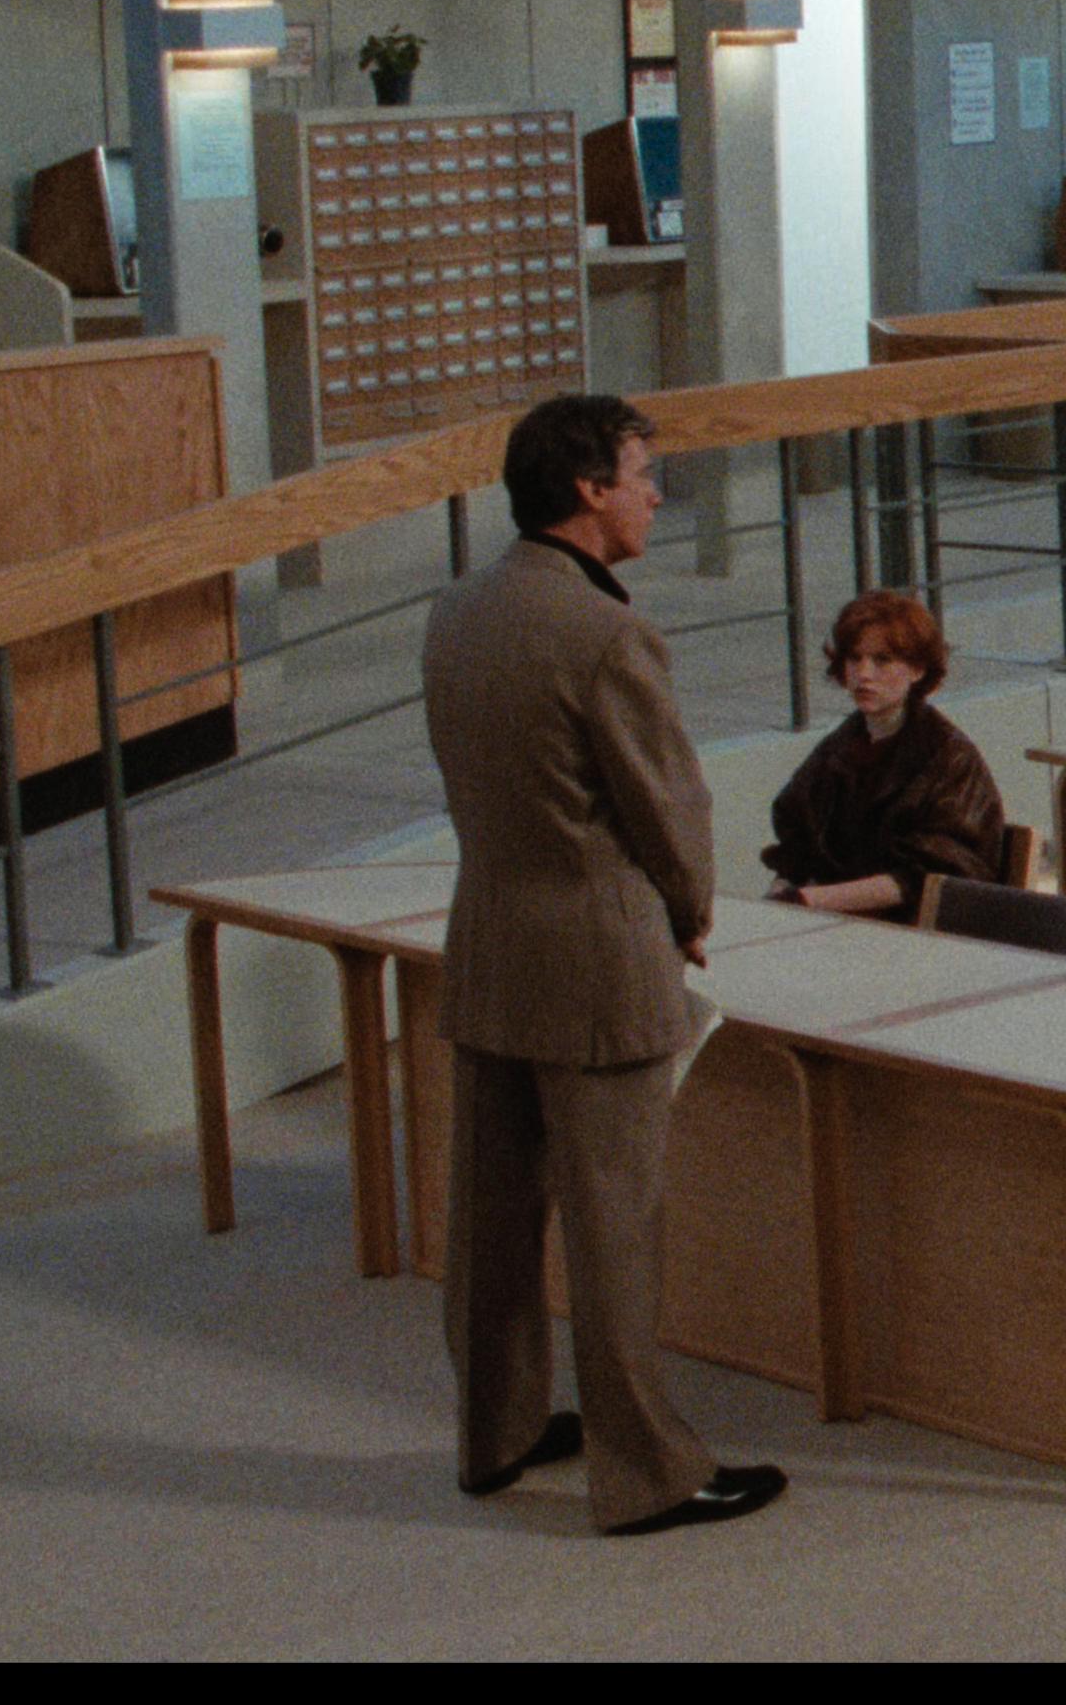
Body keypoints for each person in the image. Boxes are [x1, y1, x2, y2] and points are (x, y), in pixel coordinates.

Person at [419, 394, 784, 1536]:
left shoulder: (457, 609)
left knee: (489, 1215)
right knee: (613, 1222)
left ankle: (495, 1432)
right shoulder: (606, 634)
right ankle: (646, 1474)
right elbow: (668, 806)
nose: (655, 496)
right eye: (642, 474)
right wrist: (688, 911)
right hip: (596, 956)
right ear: (589, 490)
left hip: (488, 942)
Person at [762, 590, 1012, 921]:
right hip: (838, 919)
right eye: (855, 659)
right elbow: (797, 843)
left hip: (917, 927)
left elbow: (929, 878)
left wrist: (806, 900)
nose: (864, 674)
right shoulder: (839, 746)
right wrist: (777, 898)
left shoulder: (947, 756)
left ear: (917, 670)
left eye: (882, 660)